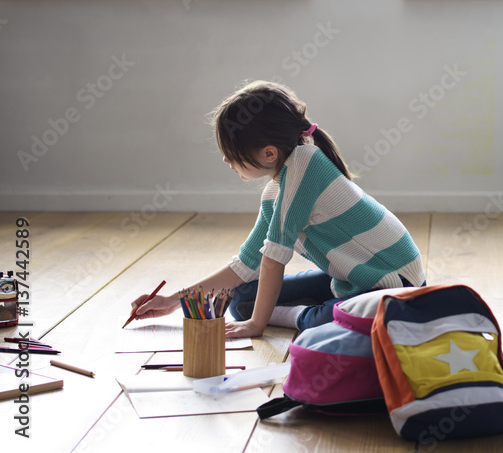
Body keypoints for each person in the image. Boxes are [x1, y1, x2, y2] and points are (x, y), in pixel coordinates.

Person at [129, 81, 426, 337]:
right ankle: (311, 308)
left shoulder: (304, 165)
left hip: (394, 286)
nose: (225, 161)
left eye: (230, 154)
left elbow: (274, 259)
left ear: (268, 153)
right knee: (239, 298)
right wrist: (170, 301)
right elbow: (246, 265)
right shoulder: (277, 188)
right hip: (355, 278)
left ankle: (297, 316)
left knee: (323, 318)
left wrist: (258, 323)